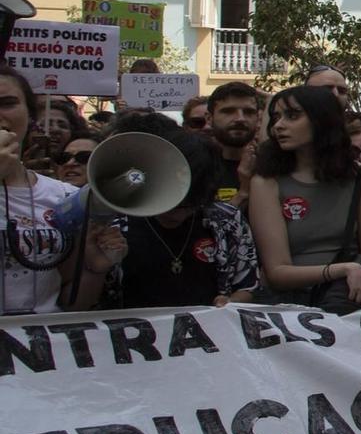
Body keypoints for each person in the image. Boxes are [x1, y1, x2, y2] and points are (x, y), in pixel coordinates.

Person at [73, 127, 259, 311]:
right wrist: (97, 269)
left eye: (189, 205)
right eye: (173, 203)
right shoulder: (115, 224)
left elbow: (246, 285)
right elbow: (79, 306)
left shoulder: (226, 220)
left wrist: (230, 303)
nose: (177, 213)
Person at [247, 85, 361, 311]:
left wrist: (353, 274)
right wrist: (343, 270)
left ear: (322, 120)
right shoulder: (266, 181)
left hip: (349, 300)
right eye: (276, 118)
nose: (279, 126)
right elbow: (276, 272)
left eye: (292, 116)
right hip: (290, 307)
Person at [0, 66, 79, 314]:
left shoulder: (63, 196)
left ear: (31, 116)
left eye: (8, 103)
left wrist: (95, 268)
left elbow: (73, 298)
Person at [207, 80, 262, 206]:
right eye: (228, 111)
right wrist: (243, 192)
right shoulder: (194, 166)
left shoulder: (272, 165)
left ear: (258, 119)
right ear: (209, 118)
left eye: (249, 112)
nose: (240, 119)